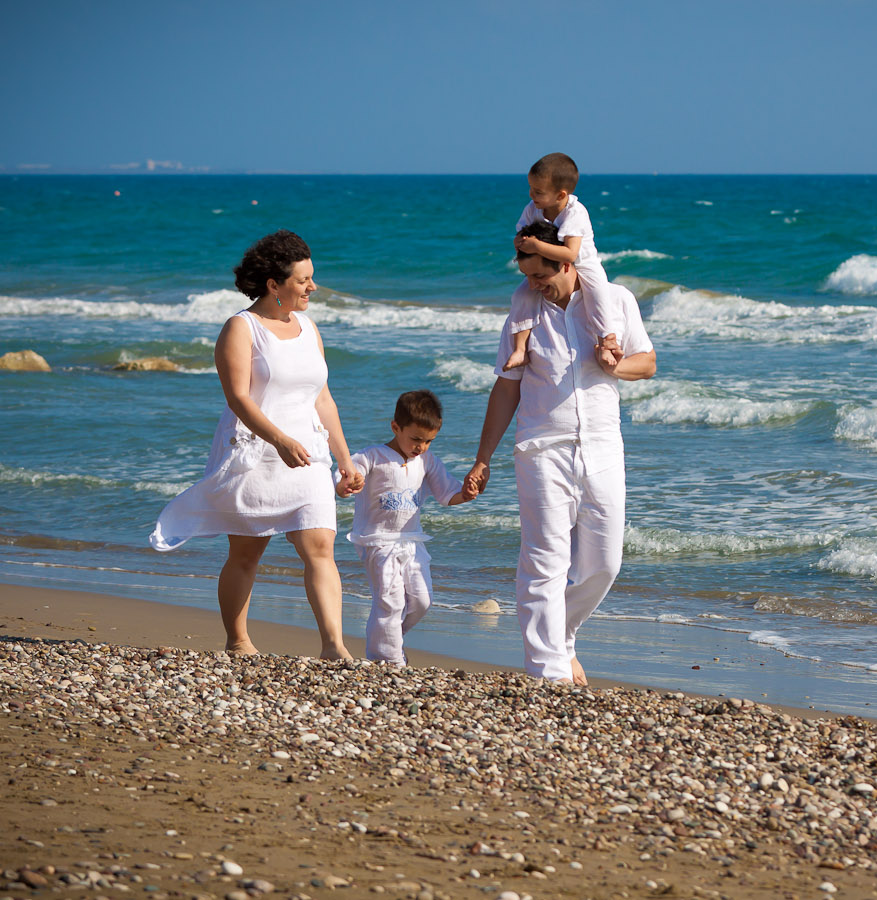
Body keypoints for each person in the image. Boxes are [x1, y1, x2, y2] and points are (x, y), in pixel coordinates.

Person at [149, 230, 364, 659]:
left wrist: (343, 459)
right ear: (274, 285)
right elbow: (238, 398)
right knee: (246, 553)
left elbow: (322, 397)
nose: (313, 288)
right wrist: (279, 439)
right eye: (303, 280)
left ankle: (333, 646)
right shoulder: (241, 328)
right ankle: (238, 640)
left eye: (312, 278)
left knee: (320, 546)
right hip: (257, 453)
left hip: (309, 456)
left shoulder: (309, 328)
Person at [465, 221, 656, 684]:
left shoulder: (614, 302)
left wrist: (615, 365)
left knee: (605, 563)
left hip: (604, 447)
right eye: (527, 276)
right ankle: (546, 671)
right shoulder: (524, 311)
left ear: (567, 263)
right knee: (545, 559)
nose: (533, 286)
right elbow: (506, 389)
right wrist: (483, 457)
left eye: (541, 277)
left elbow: (647, 363)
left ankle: (562, 634)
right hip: (541, 448)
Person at [342, 389, 475, 665]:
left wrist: (467, 493)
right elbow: (346, 478)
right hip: (377, 541)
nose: (421, 447)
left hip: (412, 541)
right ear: (396, 427)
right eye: (416, 439)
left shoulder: (426, 461)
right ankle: (389, 661)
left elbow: (447, 494)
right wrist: (349, 483)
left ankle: (387, 639)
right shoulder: (372, 457)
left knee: (422, 600)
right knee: (390, 602)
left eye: (428, 441)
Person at [503, 152, 622, 372]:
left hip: (582, 261)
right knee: (521, 295)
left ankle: (607, 340)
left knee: (598, 292)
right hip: (552, 263)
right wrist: (520, 241)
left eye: (538, 191)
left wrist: (537, 246)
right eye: (530, 188)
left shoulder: (575, 213)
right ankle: (520, 349)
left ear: (560, 195)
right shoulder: (533, 208)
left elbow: (570, 254)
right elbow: (520, 235)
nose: (532, 195)